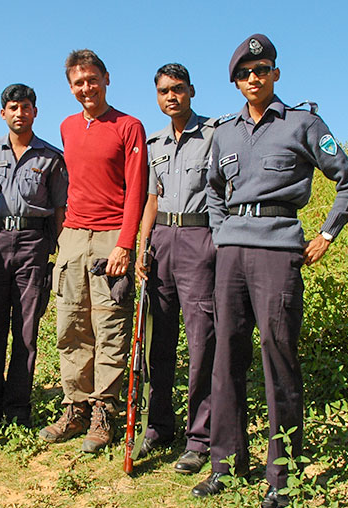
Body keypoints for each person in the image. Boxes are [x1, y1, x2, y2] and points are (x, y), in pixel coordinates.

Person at [194, 34, 348, 508]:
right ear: (235, 80)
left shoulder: (304, 123)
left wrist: (327, 236)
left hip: (278, 253)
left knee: (279, 358)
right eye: (245, 73)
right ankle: (226, 465)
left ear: (275, 73)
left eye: (263, 69)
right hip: (231, 254)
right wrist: (220, 234)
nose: (254, 78)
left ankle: (282, 475)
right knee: (225, 355)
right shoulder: (223, 132)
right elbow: (211, 190)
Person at [38, 49, 148, 453]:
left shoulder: (129, 126)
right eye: (78, 83)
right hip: (72, 236)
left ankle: (105, 411)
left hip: (110, 236)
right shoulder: (68, 126)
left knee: (110, 326)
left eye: (92, 79)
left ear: (106, 78)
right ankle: (75, 406)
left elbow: (137, 188)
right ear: (70, 88)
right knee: (71, 325)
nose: (86, 88)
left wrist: (125, 242)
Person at [0, 84, 68, 436]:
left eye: (26, 106)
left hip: (33, 244)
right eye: (13, 107)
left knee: (26, 330)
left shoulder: (51, 157)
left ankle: (18, 408)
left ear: (35, 112)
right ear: (2, 113)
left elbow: (59, 209)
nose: (19, 113)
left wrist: (59, 250)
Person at [134, 64, 216, 475]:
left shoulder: (216, 135)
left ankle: (199, 438)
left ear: (191, 91)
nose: (172, 96)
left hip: (201, 240)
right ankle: (158, 426)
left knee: (202, 343)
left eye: (178, 89)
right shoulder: (155, 143)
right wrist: (141, 246)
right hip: (162, 240)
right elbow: (151, 199)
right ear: (158, 96)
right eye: (164, 90)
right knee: (158, 342)